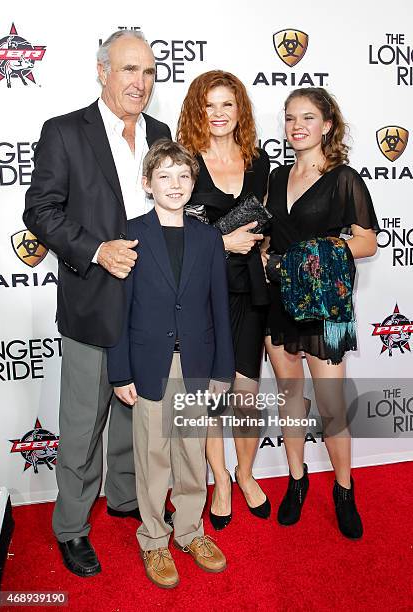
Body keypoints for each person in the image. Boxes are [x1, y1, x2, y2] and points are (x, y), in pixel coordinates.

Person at [23, 30, 172, 577]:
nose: (141, 82)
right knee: (84, 423)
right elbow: (39, 209)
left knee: (140, 413)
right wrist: (96, 250)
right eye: (130, 69)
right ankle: (71, 528)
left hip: (151, 304)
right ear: (102, 70)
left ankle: (126, 497)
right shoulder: (64, 132)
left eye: (150, 72)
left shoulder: (160, 132)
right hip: (93, 298)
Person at [107, 139, 235, 589]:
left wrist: (223, 371)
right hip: (148, 365)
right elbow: (118, 309)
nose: (175, 184)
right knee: (153, 456)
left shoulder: (208, 237)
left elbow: (220, 307)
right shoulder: (131, 233)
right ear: (147, 183)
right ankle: (155, 540)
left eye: (183, 176)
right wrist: (120, 371)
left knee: (189, 453)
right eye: (164, 176)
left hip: (197, 364)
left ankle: (190, 531)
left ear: (193, 182)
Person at [263, 87, 379, 539]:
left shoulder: (344, 177)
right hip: (280, 302)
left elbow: (367, 241)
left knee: (331, 406)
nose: (297, 126)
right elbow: (270, 237)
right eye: (290, 118)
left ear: (327, 125)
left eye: (308, 118)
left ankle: (344, 490)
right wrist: (267, 258)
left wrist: (319, 251)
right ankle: (296, 479)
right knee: (291, 397)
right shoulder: (274, 177)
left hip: (326, 306)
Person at [177, 70, 271, 529]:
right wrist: (221, 242)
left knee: (247, 393)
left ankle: (246, 473)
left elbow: (268, 230)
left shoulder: (259, 161)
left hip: (251, 290)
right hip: (205, 292)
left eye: (227, 105)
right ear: (198, 110)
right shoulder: (187, 163)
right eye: (209, 105)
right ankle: (219, 479)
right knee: (214, 395)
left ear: (240, 110)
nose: (218, 114)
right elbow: (176, 237)